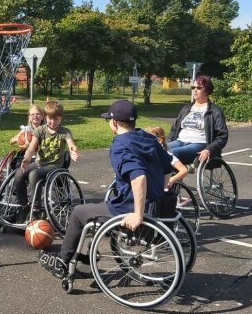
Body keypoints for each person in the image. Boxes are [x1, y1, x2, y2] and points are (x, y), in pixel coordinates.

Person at [37, 100, 174, 278]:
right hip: (157, 204)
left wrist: (138, 214)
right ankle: (82, 251)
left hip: (128, 208)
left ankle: (63, 261)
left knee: (78, 212)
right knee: (101, 205)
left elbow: (139, 177)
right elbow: (168, 168)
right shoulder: (147, 137)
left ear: (115, 122)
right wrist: (156, 193)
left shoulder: (120, 145)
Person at [14, 100, 78, 221]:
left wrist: (73, 151)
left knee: (34, 175)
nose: (52, 122)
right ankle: (23, 206)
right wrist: (26, 159)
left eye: (56, 119)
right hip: (39, 162)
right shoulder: (40, 130)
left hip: (55, 166)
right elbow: (31, 148)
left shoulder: (65, 132)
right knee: (18, 173)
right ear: (45, 116)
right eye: (49, 118)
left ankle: (36, 210)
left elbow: (71, 144)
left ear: (61, 118)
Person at [168, 75, 228, 165]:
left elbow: (222, 136)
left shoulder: (215, 111)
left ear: (207, 91)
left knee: (172, 153)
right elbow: (174, 129)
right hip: (180, 141)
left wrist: (209, 149)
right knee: (157, 149)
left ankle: (175, 176)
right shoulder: (186, 109)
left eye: (199, 88)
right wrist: (166, 144)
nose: (195, 90)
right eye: (193, 87)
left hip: (199, 143)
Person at [7, 105, 44, 170]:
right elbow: (11, 141)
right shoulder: (26, 130)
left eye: (38, 114)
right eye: (32, 114)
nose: (35, 116)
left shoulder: (45, 130)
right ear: (29, 117)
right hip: (26, 156)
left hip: (41, 156)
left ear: (42, 116)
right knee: (18, 164)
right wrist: (19, 139)